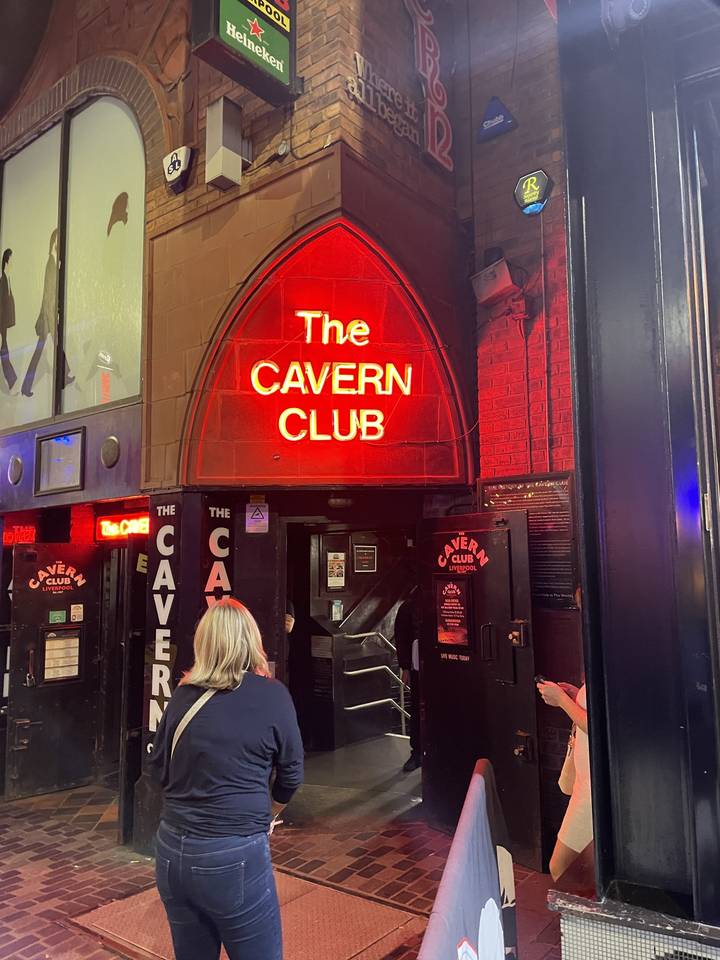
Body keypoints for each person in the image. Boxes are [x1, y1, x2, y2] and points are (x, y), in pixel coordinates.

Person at [149, 598, 304, 960]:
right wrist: (269, 813)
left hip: (171, 850)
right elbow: (291, 775)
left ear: (203, 643)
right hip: (234, 854)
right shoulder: (272, 695)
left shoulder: (183, 696)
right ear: (251, 640)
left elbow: (156, 770)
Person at [537, 676, 591, 881]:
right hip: (586, 782)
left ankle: (583, 911)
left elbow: (600, 726)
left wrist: (562, 700)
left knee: (560, 865)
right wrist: (578, 696)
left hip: (591, 790)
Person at [394, 587, 422, 772]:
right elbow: (401, 637)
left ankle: (420, 752)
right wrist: (405, 667)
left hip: (431, 665)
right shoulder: (409, 606)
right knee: (418, 710)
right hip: (417, 666)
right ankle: (417, 752)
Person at [0, 248, 17, 391]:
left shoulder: (8, 278)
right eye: (11, 260)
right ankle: (11, 379)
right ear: (6, 261)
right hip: (2, 322)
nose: (13, 263)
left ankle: (11, 380)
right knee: (4, 349)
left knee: (4, 348)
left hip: (5, 322)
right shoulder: (3, 281)